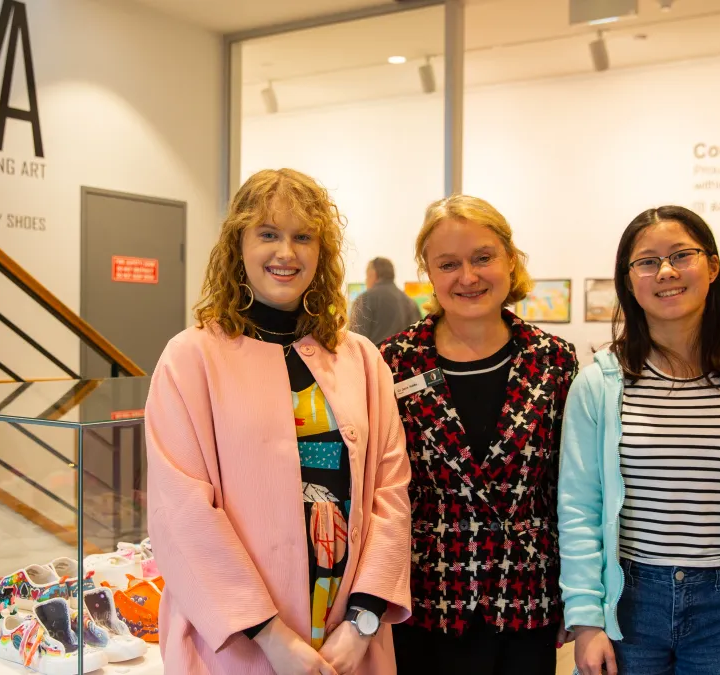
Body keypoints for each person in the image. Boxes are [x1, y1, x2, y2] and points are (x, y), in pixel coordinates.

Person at [145, 168, 412, 675]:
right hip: (237, 648)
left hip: (348, 646)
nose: (285, 253)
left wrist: (364, 621)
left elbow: (391, 497)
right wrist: (270, 637)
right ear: (237, 246)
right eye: (267, 234)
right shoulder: (190, 359)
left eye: (302, 237)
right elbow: (182, 513)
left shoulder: (361, 361)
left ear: (321, 252)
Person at [559, 206, 720, 675]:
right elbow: (578, 509)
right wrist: (586, 621)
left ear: (712, 267)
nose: (666, 272)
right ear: (629, 280)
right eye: (647, 261)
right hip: (628, 602)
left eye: (681, 255)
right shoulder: (599, 383)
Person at [379, 195, 578, 674]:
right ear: (429, 273)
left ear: (510, 259)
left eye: (482, 258)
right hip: (426, 601)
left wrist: (577, 596)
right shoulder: (392, 362)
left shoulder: (554, 361)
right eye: (449, 264)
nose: (467, 277)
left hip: (524, 596)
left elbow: (569, 491)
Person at [350, 257, 422, 344]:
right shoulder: (409, 302)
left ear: (373, 274)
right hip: (402, 356)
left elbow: (355, 341)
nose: (366, 280)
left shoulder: (364, 300)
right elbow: (417, 337)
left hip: (374, 356)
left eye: (367, 276)